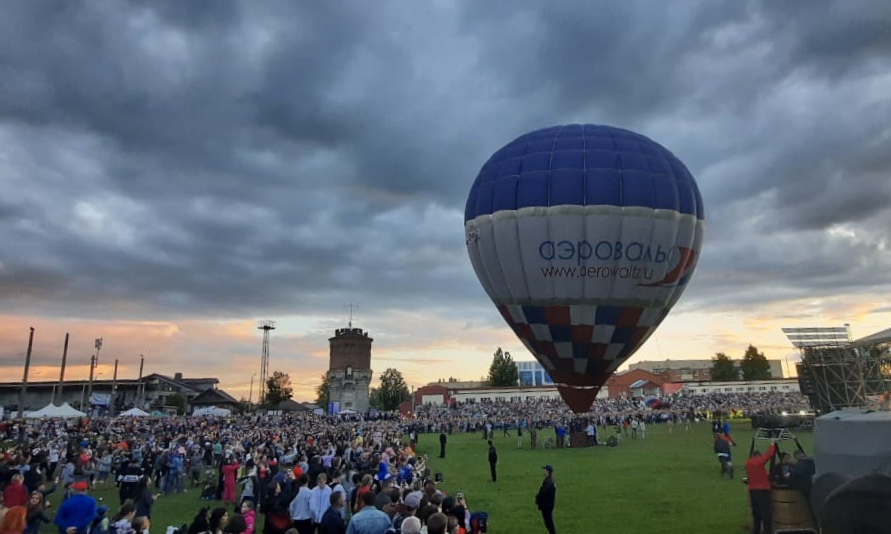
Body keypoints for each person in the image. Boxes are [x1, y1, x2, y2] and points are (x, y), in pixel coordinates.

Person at [744, 439, 776, 534]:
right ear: (758, 456)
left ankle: (756, 530)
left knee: (756, 513)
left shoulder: (747, 463)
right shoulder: (758, 462)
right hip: (762, 490)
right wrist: (772, 444)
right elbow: (769, 455)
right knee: (766, 513)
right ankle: (767, 531)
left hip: (752, 490)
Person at [535, 465, 556, 534]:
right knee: (548, 522)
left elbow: (543, 493)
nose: (544, 471)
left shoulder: (548, 482)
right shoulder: (550, 480)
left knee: (549, 523)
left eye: (545, 470)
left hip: (546, 506)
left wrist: (538, 498)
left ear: (548, 471)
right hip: (548, 505)